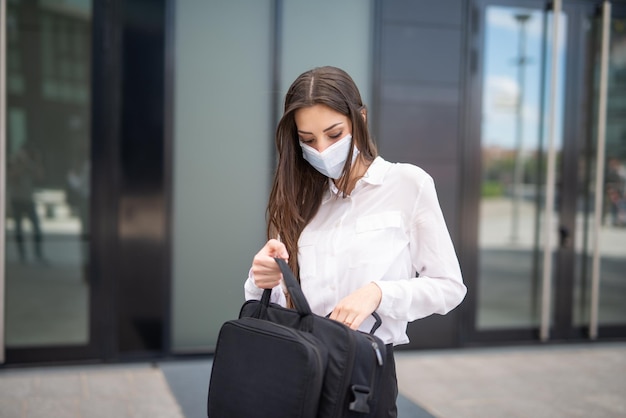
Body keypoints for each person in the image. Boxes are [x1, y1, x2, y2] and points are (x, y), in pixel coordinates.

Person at [244, 66, 467, 416]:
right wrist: (262, 279)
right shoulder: (300, 199)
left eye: (334, 134)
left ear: (359, 118)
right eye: (308, 140)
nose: (322, 149)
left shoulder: (408, 184)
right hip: (297, 368)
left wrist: (379, 292)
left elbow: (449, 287)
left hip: (363, 374)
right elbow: (273, 308)